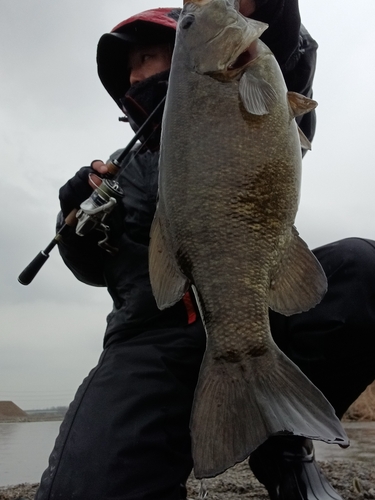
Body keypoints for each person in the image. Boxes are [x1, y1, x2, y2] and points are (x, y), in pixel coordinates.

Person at [35, 3, 375, 500]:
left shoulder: (254, 91)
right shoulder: (111, 175)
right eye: (127, 68)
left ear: (182, 56)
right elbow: (91, 271)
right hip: (149, 341)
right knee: (81, 488)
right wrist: (73, 223)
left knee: (362, 271)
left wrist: (263, 10)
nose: (134, 75)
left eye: (147, 56)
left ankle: (282, 444)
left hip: (256, 304)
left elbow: (288, 49)